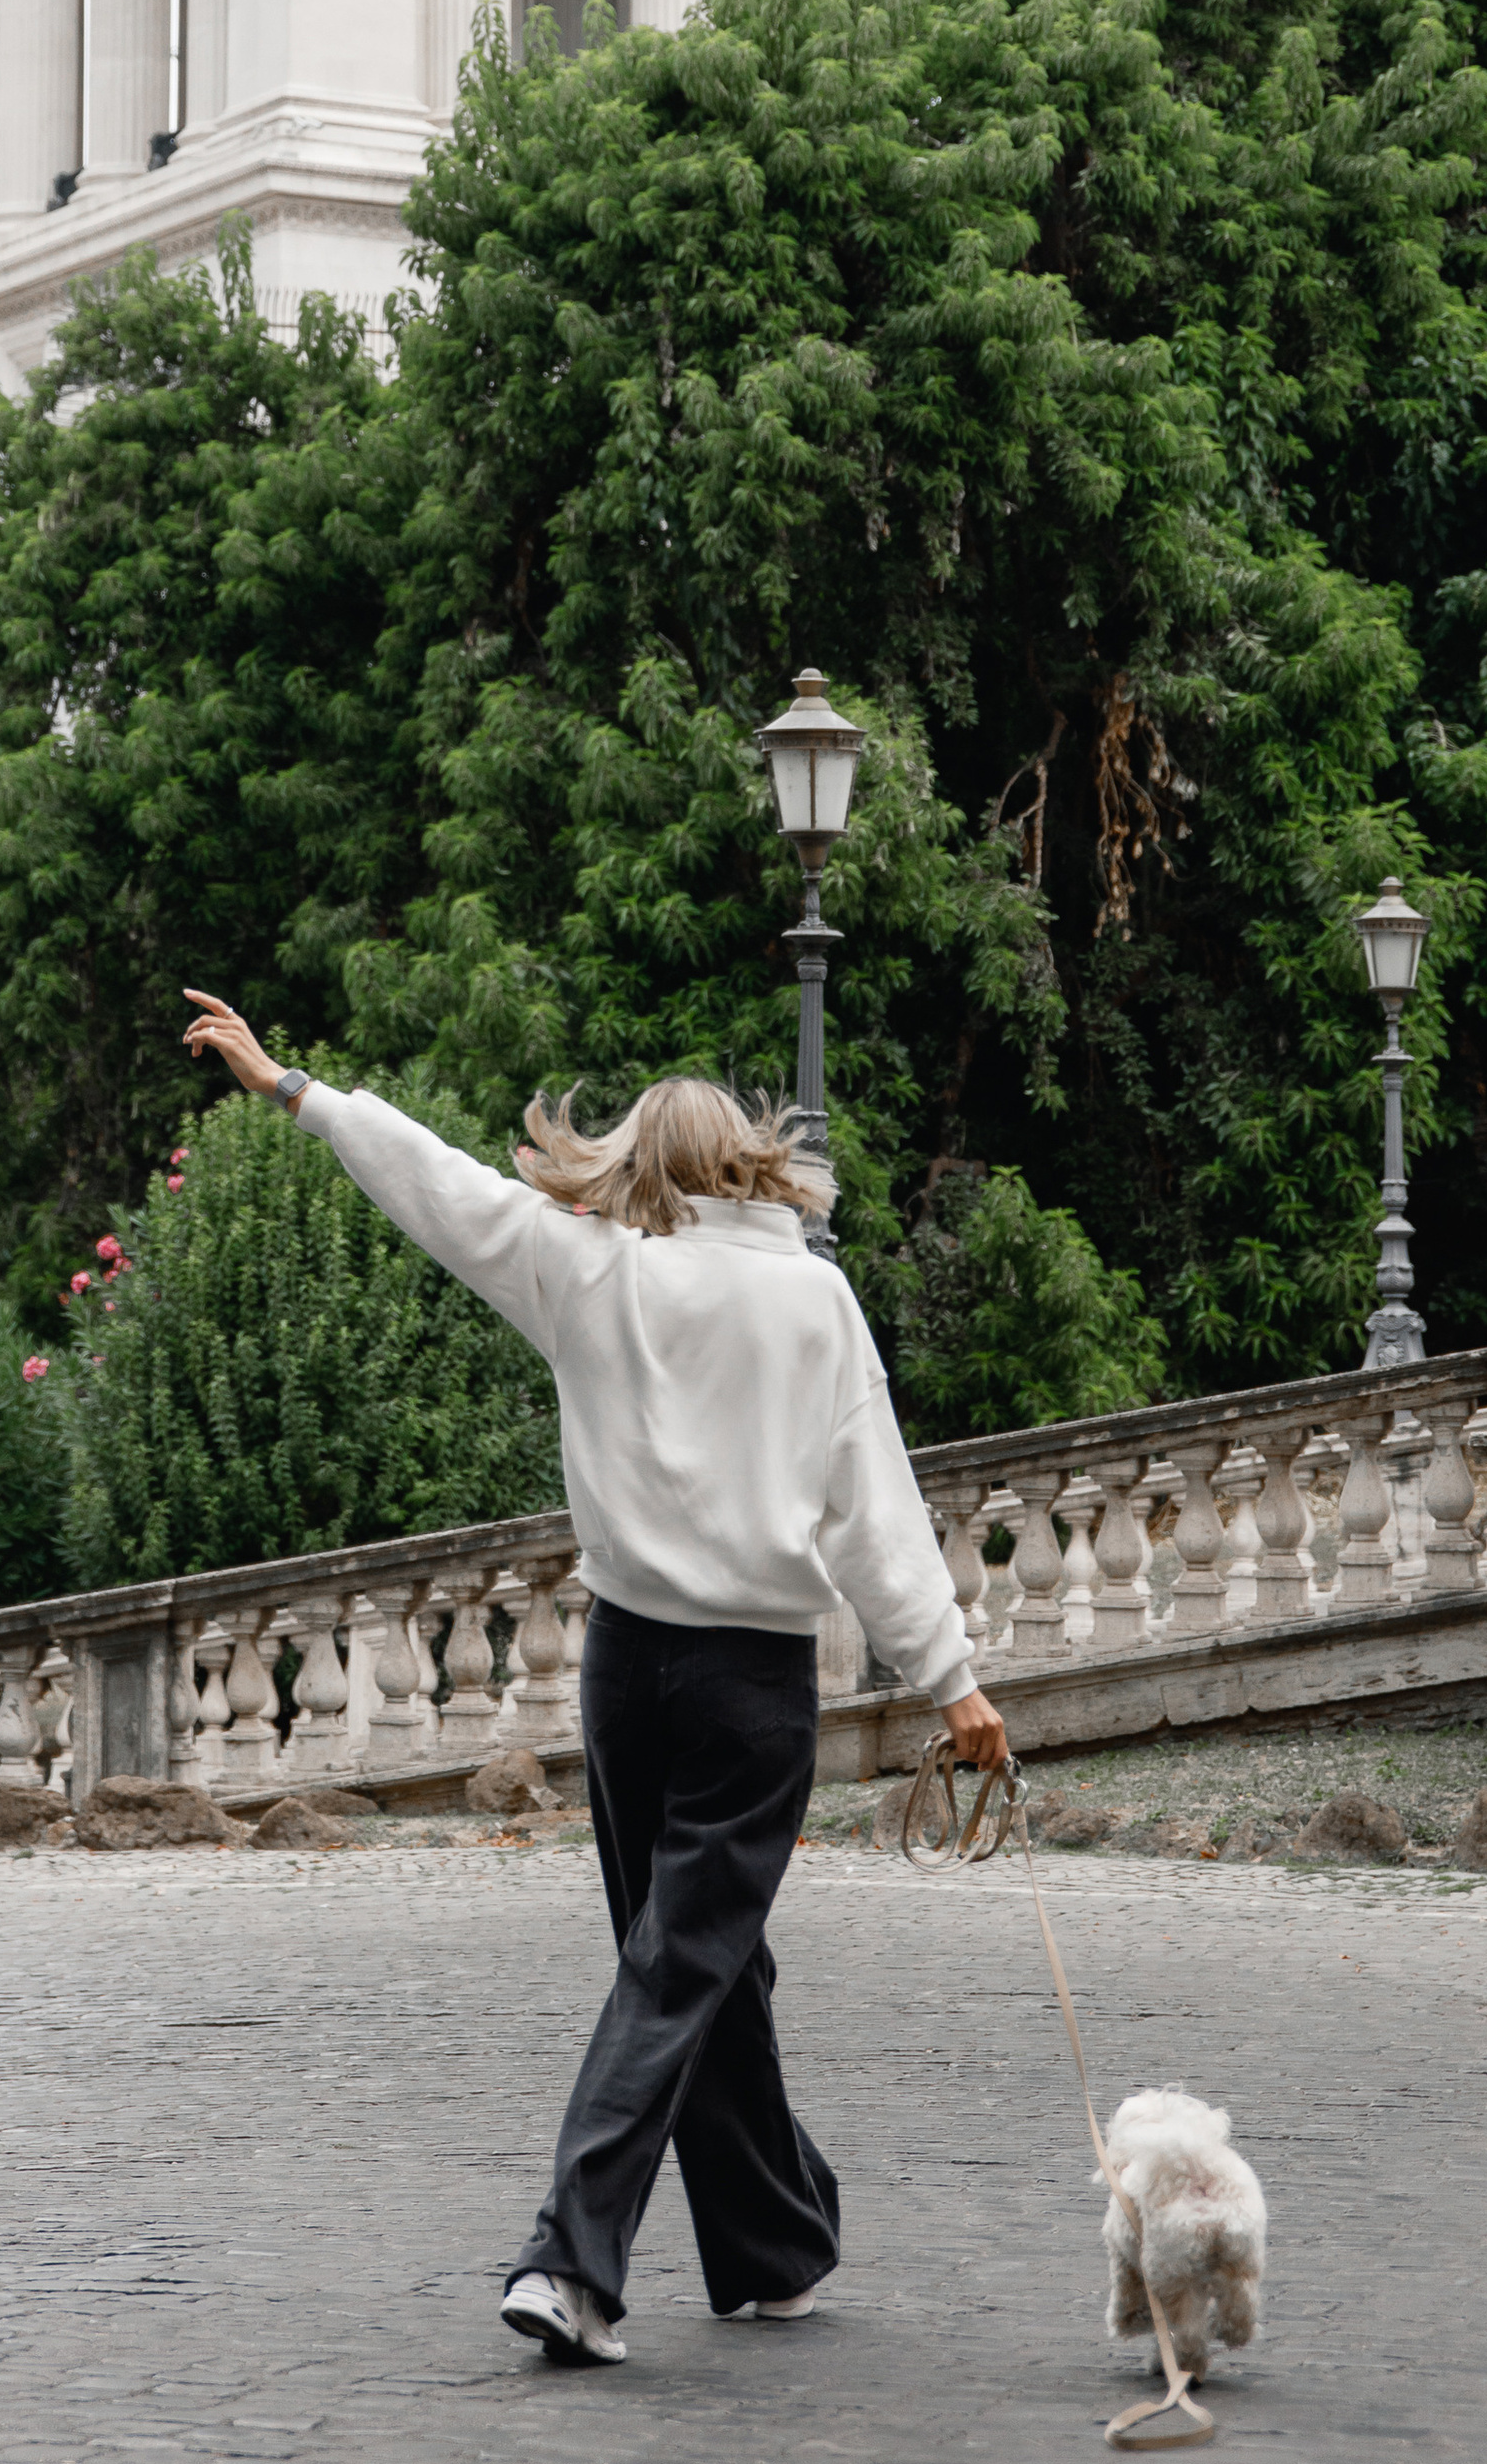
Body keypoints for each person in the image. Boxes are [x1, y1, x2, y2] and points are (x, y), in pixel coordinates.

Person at [179, 989, 1008, 2372]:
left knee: (692, 1962)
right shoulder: (814, 1300)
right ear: (750, 1161)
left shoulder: (587, 1269)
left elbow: (437, 1184)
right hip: (753, 1684)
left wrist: (292, 1088)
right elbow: (878, 1508)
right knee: (685, 1962)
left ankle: (775, 2248)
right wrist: (953, 1680)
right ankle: (575, 2266)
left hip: (627, 1669)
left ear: (634, 1164)